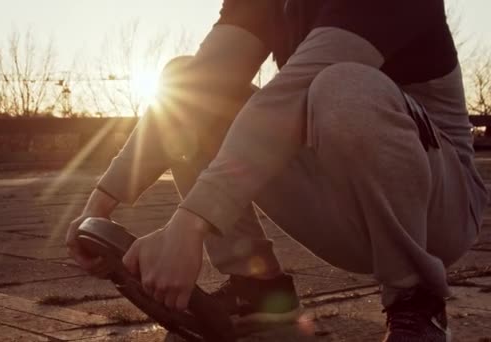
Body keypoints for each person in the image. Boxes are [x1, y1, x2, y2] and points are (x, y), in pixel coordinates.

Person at [66, 0, 488, 340]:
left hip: (439, 212)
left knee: (343, 86)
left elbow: (289, 97)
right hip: (341, 204)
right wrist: (101, 204)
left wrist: (189, 226)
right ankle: (258, 287)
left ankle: (417, 301)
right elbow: (199, 85)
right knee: (189, 86)